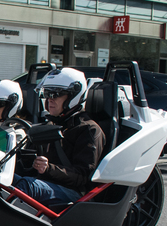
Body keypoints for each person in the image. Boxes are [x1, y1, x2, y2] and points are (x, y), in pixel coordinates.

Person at [14, 67, 105, 206]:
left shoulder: (88, 129)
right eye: (47, 94)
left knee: (26, 185)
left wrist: (49, 168)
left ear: (73, 95)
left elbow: (83, 176)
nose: (50, 99)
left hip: (74, 193)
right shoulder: (50, 124)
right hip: (45, 184)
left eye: (55, 94)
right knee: (0, 180)